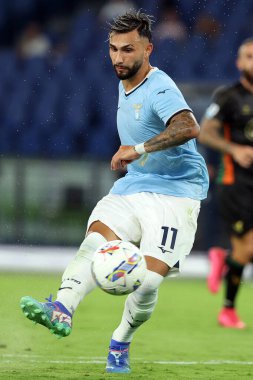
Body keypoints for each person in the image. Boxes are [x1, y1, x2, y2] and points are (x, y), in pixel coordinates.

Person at [20, 10, 209, 374]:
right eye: (114, 49)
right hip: (134, 186)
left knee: (149, 283)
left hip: (176, 193)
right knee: (94, 241)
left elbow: (189, 126)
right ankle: (61, 308)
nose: (119, 58)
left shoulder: (159, 86)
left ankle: (120, 341)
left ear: (148, 49)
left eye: (128, 50)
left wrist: (136, 150)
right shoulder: (123, 80)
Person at [198, 37, 253, 329]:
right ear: (239, 62)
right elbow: (204, 133)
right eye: (249, 56)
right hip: (236, 183)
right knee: (249, 250)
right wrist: (235, 150)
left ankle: (224, 261)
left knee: (245, 252)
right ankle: (228, 311)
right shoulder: (228, 96)